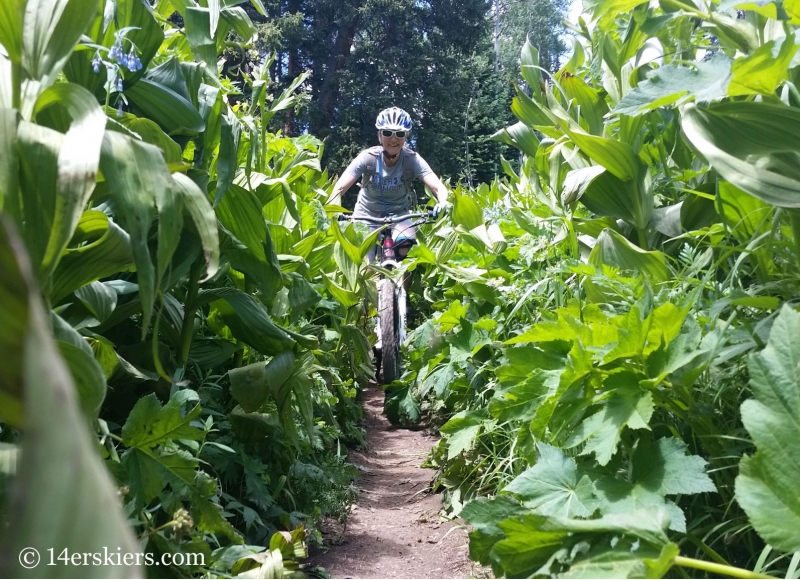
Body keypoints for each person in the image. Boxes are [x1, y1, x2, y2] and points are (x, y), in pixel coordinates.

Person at [327, 106, 450, 259]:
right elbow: (339, 188)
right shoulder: (367, 157)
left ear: (405, 137)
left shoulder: (412, 159)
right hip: (366, 214)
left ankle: (403, 282)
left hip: (399, 214)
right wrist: (333, 209)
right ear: (379, 136)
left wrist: (443, 202)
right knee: (365, 262)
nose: (393, 139)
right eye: (387, 133)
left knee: (405, 246)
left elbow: (438, 187)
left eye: (399, 134)